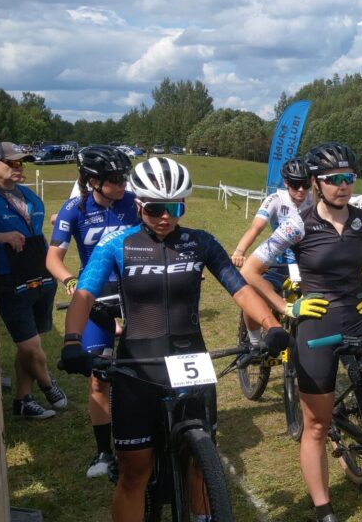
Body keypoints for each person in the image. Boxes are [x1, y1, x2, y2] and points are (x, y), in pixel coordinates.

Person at [58, 157, 288, 521]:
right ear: (138, 205)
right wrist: (72, 341)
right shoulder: (116, 244)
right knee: (135, 471)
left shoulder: (200, 242)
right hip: (137, 365)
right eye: (155, 209)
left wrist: (270, 325)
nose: (165, 217)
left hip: (190, 360)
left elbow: (239, 288)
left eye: (175, 208)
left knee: (199, 463)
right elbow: (84, 294)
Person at [239, 142, 362, 522]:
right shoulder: (299, 223)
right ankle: (323, 508)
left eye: (349, 178)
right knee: (316, 425)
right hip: (317, 325)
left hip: (359, 315)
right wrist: (286, 308)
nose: (343, 185)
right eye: (334, 179)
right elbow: (251, 271)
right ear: (317, 183)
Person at [45, 145, 138, 477]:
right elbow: (53, 258)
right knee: (99, 380)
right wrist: (71, 282)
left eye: (123, 177)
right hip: (96, 297)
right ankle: (103, 453)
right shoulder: (75, 209)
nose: (122, 184)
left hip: (134, 293)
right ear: (91, 181)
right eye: (114, 180)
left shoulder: (133, 202)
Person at [0, 142, 67, 420]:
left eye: (21, 163)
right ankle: (47, 383)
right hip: (8, 278)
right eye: (12, 163)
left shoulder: (28, 194)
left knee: (29, 342)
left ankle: (23, 400)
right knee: (30, 347)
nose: (19, 167)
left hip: (40, 275)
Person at [230, 158, 315, 346]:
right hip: (279, 263)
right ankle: (254, 342)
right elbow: (256, 228)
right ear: (286, 183)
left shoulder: (315, 200)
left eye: (306, 184)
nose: (301, 190)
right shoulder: (275, 200)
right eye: (295, 185)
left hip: (306, 264)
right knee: (252, 293)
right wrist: (239, 251)